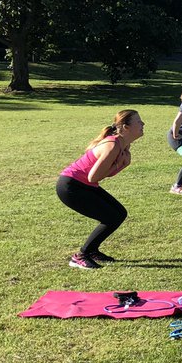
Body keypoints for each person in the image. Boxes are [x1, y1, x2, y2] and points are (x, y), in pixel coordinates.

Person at [56, 109, 144, 270]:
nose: (143, 124)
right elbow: (93, 177)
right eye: (139, 122)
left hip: (84, 185)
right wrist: (118, 165)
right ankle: (80, 256)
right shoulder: (112, 145)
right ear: (126, 127)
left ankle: (93, 251)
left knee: (120, 214)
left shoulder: (122, 145)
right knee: (111, 217)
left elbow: (100, 176)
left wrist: (122, 165)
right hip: (71, 187)